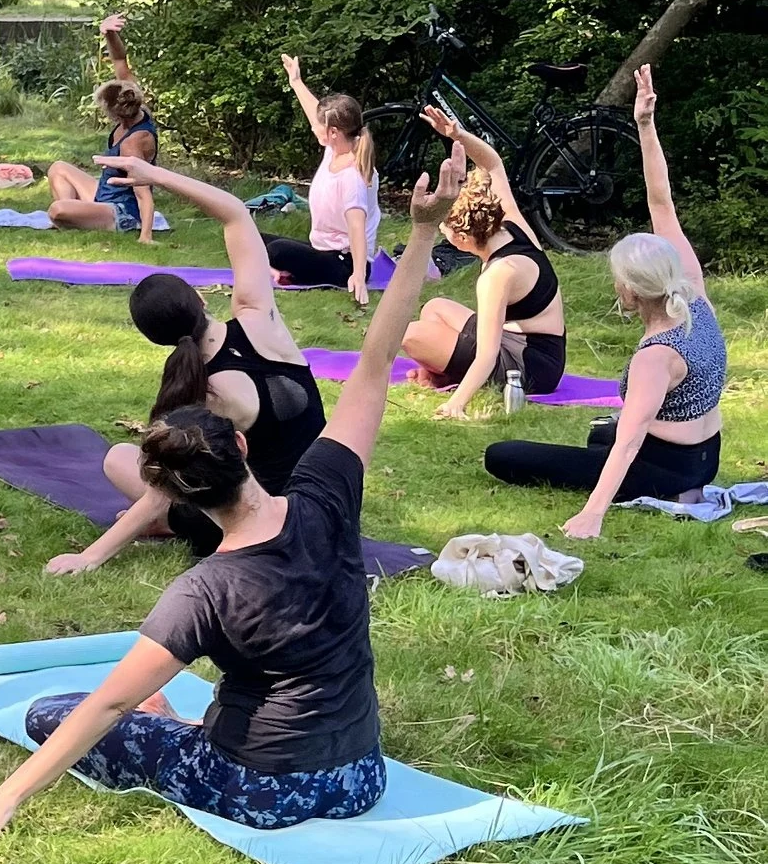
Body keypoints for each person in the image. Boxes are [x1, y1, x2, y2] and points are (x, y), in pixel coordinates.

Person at [0, 149, 467, 852]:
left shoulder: (205, 589)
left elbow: (108, 704)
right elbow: (374, 364)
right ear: (241, 448)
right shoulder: (326, 495)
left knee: (48, 713)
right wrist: (423, 231)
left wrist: (1, 802)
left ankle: (184, 731)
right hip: (361, 778)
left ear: (172, 494)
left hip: (258, 790)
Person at [41, 155, 327, 571]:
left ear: (157, 340)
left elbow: (161, 490)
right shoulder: (259, 319)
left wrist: (90, 556)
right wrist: (153, 174)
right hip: (325, 502)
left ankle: (170, 527)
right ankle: (171, 524)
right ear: (200, 298)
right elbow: (235, 213)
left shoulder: (203, 394)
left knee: (119, 458)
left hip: (255, 522)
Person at [485, 68, 727, 533]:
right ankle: (681, 482)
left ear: (632, 291)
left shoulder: (657, 356)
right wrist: (644, 125)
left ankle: (672, 491)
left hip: (665, 467)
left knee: (504, 455)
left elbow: (631, 439)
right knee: (601, 431)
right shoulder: (694, 294)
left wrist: (592, 514)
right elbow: (661, 202)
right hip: (705, 455)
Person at [397, 106, 566, 411]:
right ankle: (437, 374)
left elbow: (487, 353)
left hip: (533, 367)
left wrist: (456, 404)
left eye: (445, 229)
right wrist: (457, 135)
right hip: (523, 342)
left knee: (412, 335)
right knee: (435, 308)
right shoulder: (510, 224)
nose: (442, 232)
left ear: (463, 239)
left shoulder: (498, 274)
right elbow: (493, 164)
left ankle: (444, 376)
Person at [266, 55, 381, 305]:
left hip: (344, 263)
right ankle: (279, 270)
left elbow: (357, 228)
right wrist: (296, 82)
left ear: (333, 133)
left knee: (276, 251)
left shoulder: (353, 176)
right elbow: (315, 111)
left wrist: (358, 276)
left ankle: (280, 270)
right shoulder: (335, 148)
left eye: (318, 126)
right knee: (249, 236)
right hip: (322, 251)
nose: (312, 127)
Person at [46, 77, 163, 236]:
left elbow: (143, 193)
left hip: (122, 212)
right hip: (104, 194)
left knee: (57, 210)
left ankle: (72, 217)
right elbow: (123, 72)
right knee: (58, 168)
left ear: (116, 113)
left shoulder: (133, 143)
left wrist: (145, 236)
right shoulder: (134, 115)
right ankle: (74, 217)